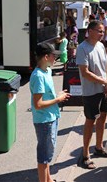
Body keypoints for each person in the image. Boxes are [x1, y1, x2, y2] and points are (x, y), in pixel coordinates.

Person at [30, 43, 71, 182]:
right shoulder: (38, 76)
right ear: (46, 57)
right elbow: (38, 104)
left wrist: (57, 96)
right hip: (44, 121)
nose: (56, 58)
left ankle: (48, 179)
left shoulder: (46, 71)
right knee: (43, 157)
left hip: (51, 117)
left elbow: (46, 96)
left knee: (47, 154)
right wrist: (58, 99)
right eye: (54, 56)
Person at [76, 20, 107, 169]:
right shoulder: (82, 48)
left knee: (103, 117)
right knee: (90, 120)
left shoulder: (101, 45)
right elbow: (85, 73)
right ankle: (85, 154)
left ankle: (99, 147)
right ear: (90, 31)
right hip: (91, 92)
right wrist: (105, 82)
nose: (102, 34)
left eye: (103, 31)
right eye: (99, 31)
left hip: (103, 89)